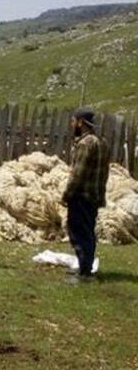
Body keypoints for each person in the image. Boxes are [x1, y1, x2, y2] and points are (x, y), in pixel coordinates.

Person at [61, 107, 110, 284]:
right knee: (88, 232)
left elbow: (78, 174)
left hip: (81, 196)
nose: (72, 124)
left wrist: (66, 195)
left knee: (78, 233)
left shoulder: (84, 144)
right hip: (95, 195)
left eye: (74, 121)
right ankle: (86, 268)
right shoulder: (102, 142)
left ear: (81, 122)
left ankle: (84, 273)